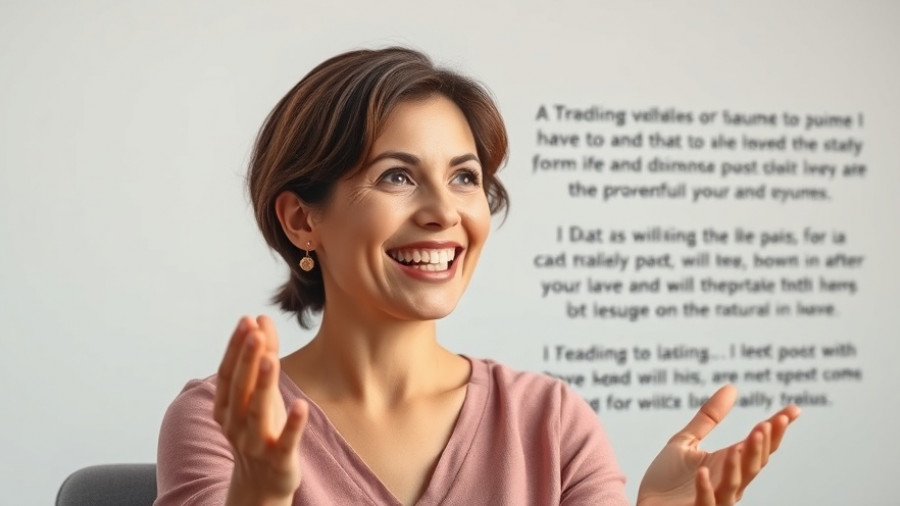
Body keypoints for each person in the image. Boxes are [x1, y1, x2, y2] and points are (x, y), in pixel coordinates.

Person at [154, 47, 800, 506]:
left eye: (465, 178)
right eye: (397, 177)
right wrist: (259, 498)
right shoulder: (219, 420)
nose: (445, 213)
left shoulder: (549, 422)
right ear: (301, 220)